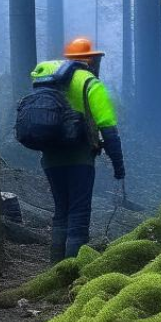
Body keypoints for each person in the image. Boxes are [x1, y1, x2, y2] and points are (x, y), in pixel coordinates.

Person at [32, 38, 125, 262]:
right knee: (79, 213)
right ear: (91, 60)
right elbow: (108, 129)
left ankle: (56, 268)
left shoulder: (50, 81)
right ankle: (72, 272)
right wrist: (118, 166)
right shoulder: (90, 82)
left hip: (51, 157)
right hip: (79, 157)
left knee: (61, 212)